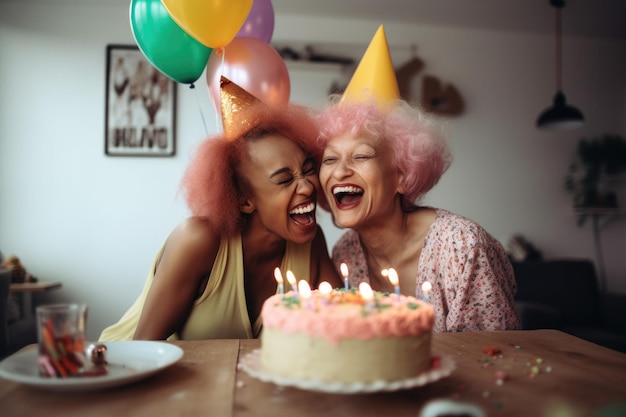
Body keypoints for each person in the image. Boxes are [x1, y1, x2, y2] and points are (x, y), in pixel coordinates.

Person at [100, 78, 341, 341]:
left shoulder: (311, 241)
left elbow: (345, 326)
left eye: (308, 170)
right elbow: (144, 349)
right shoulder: (197, 240)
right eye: (284, 180)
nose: (307, 186)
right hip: (122, 371)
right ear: (244, 200)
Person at [316, 26, 519, 332]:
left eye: (361, 156)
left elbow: (495, 355)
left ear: (402, 175)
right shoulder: (346, 252)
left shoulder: (461, 247)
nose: (340, 171)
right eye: (330, 159)